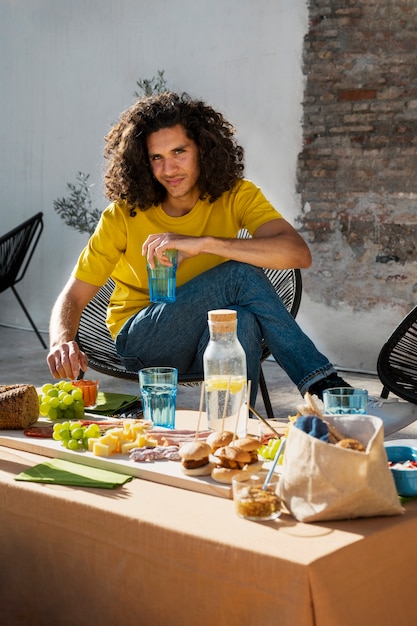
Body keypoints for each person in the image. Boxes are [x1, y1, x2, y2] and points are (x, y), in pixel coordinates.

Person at [47, 91, 351, 406]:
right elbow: (72, 296)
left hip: (209, 341)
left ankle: (231, 434)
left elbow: (298, 254)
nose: (169, 169)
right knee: (239, 274)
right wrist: (61, 341)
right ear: (142, 161)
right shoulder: (124, 214)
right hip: (144, 342)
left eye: (179, 151)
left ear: (203, 150)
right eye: (156, 157)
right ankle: (327, 388)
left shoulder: (236, 196)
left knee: (239, 321)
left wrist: (205, 244)